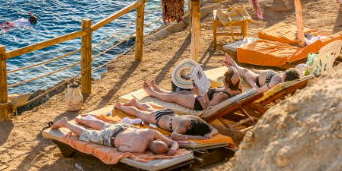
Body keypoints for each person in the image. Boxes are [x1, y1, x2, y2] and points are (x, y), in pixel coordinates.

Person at [51, 117, 180, 155]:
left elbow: (173, 142)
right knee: (85, 134)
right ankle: (65, 123)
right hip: (110, 138)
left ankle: (83, 120)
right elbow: (121, 149)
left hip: (121, 127)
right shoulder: (140, 148)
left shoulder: (152, 133)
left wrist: (173, 148)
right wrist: (172, 149)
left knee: (102, 124)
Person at [142, 67, 243, 111]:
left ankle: (152, 93)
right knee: (184, 91)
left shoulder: (222, 95)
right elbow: (234, 72)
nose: (223, 83)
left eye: (224, 81)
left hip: (199, 103)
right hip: (204, 94)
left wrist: (198, 93)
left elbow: (206, 109)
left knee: (175, 96)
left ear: (229, 84)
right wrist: (235, 73)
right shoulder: (238, 90)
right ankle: (159, 91)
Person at [114, 99, 216, 140]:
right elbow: (174, 136)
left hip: (169, 113)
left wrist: (210, 133)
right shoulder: (182, 128)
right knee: (138, 113)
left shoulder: (196, 119)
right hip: (159, 118)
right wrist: (194, 137)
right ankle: (120, 107)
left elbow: (214, 129)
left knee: (149, 109)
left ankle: (136, 103)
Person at [223, 55, 300, 92]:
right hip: (260, 75)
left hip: (256, 80)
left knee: (245, 71)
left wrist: (252, 82)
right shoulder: (286, 79)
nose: (282, 74)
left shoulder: (274, 83)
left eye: (284, 74)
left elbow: (259, 90)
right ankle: (231, 65)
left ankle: (232, 64)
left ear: (285, 76)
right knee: (249, 70)